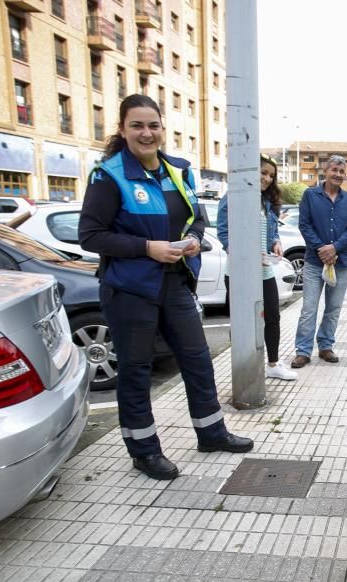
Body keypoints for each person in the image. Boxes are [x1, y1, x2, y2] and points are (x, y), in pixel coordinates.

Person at [79, 94, 254, 482]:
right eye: (137, 125)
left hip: (176, 283)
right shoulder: (108, 176)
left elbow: (197, 218)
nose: (146, 133)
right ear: (122, 129)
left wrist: (191, 238)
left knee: (197, 359)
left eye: (153, 125)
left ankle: (212, 432)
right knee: (136, 370)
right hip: (130, 289)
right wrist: (147, 248)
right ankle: (144, 451)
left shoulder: (179, 170)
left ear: (162, 129)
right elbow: (90, 236)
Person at [216, 154, 298, 381]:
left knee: (272, 317)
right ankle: (243, 368)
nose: (267, 179)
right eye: (263, 173)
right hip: (239, 272)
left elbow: (271, 233)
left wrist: (276, 243)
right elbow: (224, 234)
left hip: (264, 270)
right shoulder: (234, 196)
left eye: (271, 175)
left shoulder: (268, 202)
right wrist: (245, 257)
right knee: (242, 320)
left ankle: (272, 363)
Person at [290, 155, 347, 368]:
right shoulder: (310, 195)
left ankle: (326, 346)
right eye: (334, 170)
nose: (338, 174)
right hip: (314, 262)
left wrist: (335, 248)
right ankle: (303, 351)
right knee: (309, 308)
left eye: (341, 171)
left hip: (340, 262)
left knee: (333, 307)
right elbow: (305, 225)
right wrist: (321, 248)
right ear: (325, 172)